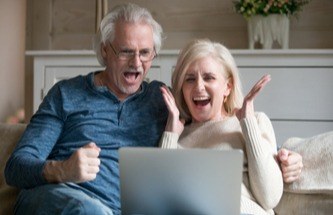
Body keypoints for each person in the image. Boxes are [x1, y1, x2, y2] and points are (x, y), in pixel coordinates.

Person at [5, 3, 302, 215]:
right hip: (61, 197)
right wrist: (63, 169)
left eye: (145, 53)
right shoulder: (66, 94)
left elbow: (215, 125)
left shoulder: (163, 101)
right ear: (105, 51)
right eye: (126, 51)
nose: (137, 63)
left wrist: (283, 157)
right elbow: (16, 167)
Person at [159, 39, 283, 214]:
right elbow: (158, 201)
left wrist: (248, 125)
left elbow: (270, 197)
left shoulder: (254, 123)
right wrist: (170, 134)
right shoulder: (176, 137)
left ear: (228, 87)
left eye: (209, 77)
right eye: (190, 79)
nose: (199, 86)